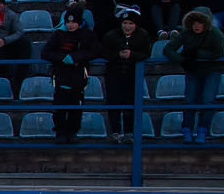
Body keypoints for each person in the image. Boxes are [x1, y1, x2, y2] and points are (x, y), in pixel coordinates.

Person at [165, 9, 224, 143]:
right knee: (189, 100)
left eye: (200, 22)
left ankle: (202, 130)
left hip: (212, 71)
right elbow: (168, 49)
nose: (196, 25)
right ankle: (187, 129)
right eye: (194, 22)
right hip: (193, 71)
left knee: (208, 100)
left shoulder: (216, 34)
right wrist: (183, 60)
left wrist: (197, 53)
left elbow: (218, 53)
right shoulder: (185, 33)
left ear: (206, 23)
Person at [43, 10, 98, 144]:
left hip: (78, 76)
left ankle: (73, 132)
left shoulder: (87, 35)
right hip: (61, 76)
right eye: (68, 22)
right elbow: (46, 53)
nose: (71, 25)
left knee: (76, 107)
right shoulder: (58, 35)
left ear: (79, 22)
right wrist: (62, 58)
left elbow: (94, 51)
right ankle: (60, 132)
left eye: (74, 22)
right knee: (60, 106)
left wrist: (76, 57)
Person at [101, 9, 153, 143]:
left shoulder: (143, 35)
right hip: (114, 74)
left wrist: (132, 55)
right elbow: (104, 53)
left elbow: (146, 53)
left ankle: (130, 133)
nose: (127, 26)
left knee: (131, 103)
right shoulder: (111, 35)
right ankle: (115, 132)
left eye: (130, 23)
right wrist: (117, 55)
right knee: (114, 103)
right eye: (125, 23)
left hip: (132, 74)